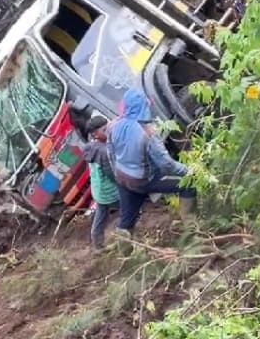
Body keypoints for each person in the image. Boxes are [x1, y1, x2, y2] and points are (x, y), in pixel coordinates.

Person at [109, 88, 197, 238]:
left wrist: (118, 174)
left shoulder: (113, 125)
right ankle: (191, 229)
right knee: (188, 184)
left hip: (122, 178)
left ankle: (124, 252)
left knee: (126, 221)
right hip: (143, 180)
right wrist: (188, 170)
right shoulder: (148, 133)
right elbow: (166, 164)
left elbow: (111, 154)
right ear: (144, 106)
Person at [83, 115, 119, 249]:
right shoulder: (104, 151)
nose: (108, 132)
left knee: (101, 213)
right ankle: (122, 233)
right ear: (95, 134)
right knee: (131, 208)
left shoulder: (90, 147)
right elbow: (112, 174)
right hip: (109, 192)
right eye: (104, 130)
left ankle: (97, 244)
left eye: (108, 128)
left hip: (98, 191)